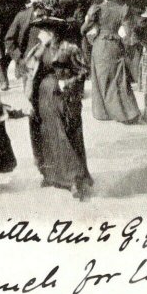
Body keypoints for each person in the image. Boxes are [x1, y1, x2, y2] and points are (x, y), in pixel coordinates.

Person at [24, 17, 93, 201]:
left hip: (63, 98)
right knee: (46, 134)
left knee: (65, 135)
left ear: (53, 32)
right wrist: (40, 49)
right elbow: (28, 68)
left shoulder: (69, 48)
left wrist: (67, 83)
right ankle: (51, 175)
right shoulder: (39, 49)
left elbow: (83, 71)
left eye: (44, 31)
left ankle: (74, 178)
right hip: (43, 97)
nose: (40, 34)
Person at [82, 0, 140, 124]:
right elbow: (128, 33)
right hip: (115, 45)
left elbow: (84, 30)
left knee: (102, 79)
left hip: (100, 45)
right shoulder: (123, 9)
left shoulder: (96, 9)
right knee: (118, 78)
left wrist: (90, 28)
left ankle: (104, 112)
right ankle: (127, 112)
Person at [5, 0, 50, 89]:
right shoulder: (22, 16)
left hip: (48, 65)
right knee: (31, 95)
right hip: (29, 65)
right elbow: (9, 40)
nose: (42, 0)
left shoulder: (52, 15)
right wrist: (19, 59)